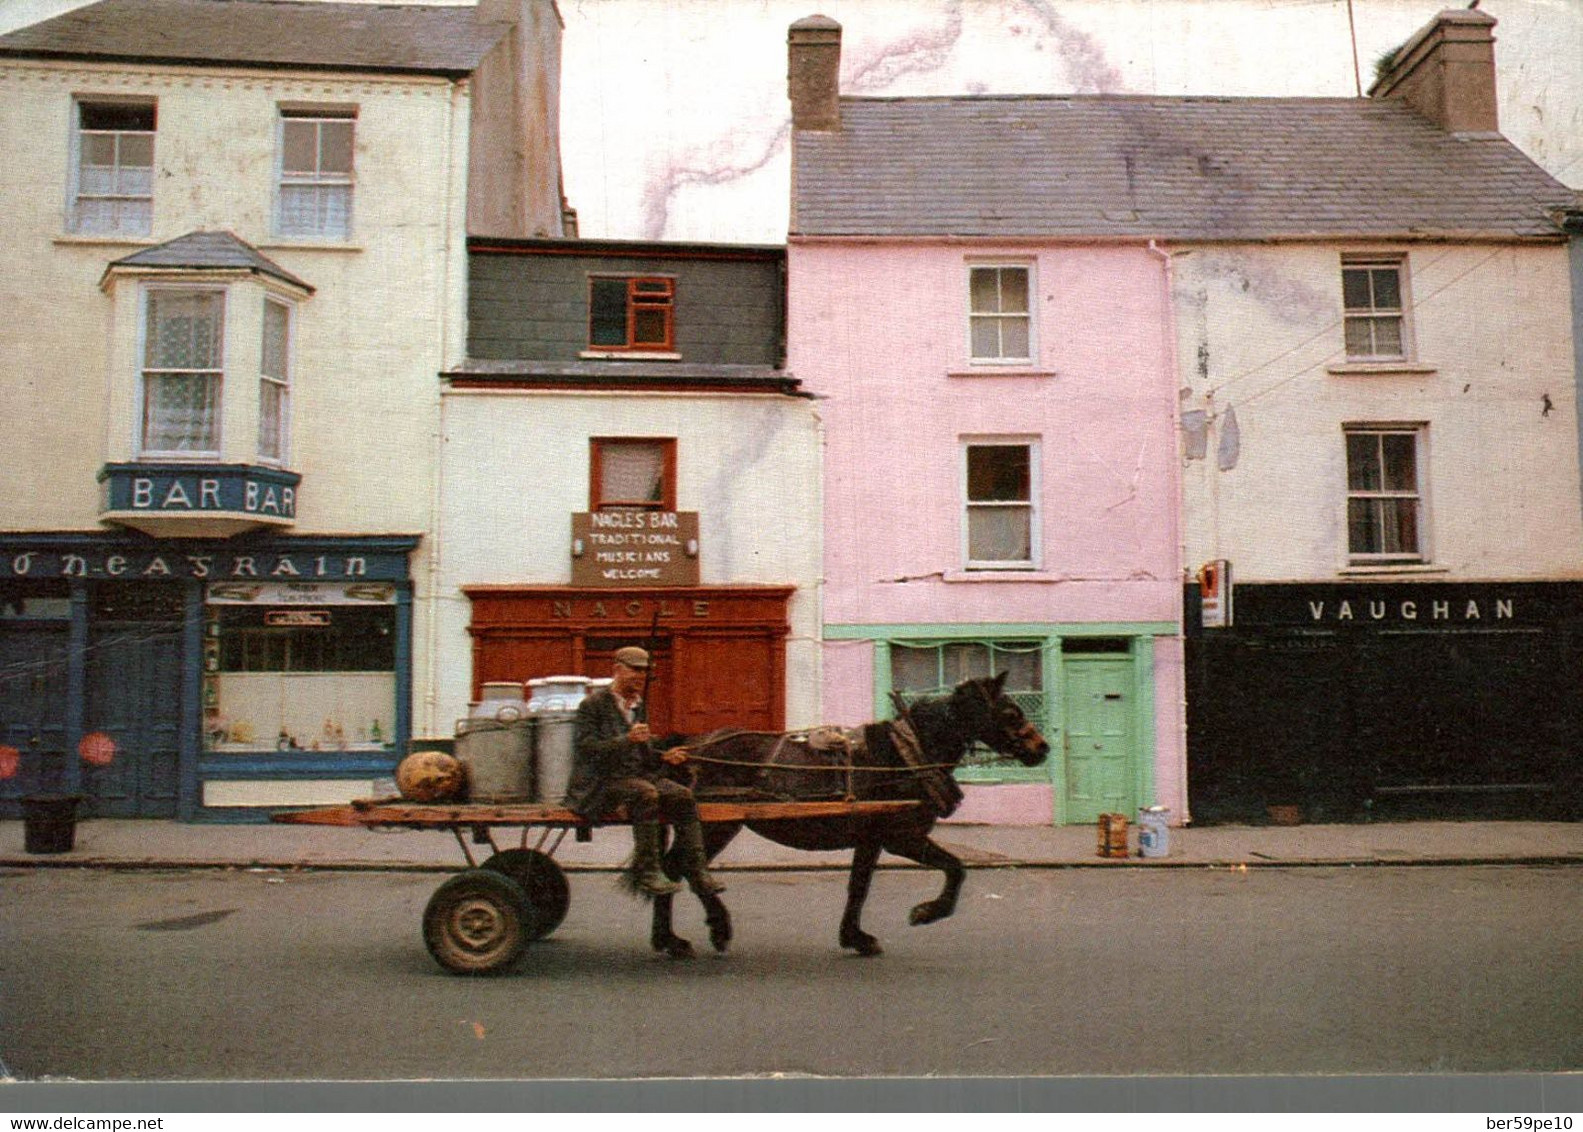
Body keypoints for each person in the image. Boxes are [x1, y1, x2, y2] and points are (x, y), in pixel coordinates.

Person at [564, 646, 725, 897]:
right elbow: (586, 749)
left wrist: (666, 757)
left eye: (645, 672)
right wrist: (627, 739)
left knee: (683, 796)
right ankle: (649, 873)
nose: (641, 676)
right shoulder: (592, 705)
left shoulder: (639, 706)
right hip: (601, 783)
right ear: (617, 669)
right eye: (635, 670)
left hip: (635, 778)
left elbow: (644, 753)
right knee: (646, 793)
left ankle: (697, 871)